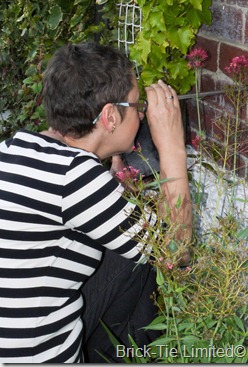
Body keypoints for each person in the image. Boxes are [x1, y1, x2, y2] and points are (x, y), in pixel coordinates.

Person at [0, 42, 192, 363]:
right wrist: (173, 147)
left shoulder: (14, 148)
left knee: (130, 247)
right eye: (136, 104)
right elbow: (175, 251)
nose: (143, 113)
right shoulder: (76, 177)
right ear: (110, 116)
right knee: (148, 260)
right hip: (34, 356)